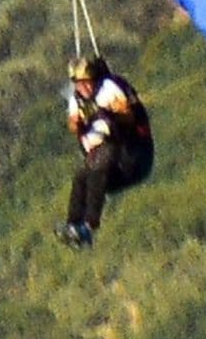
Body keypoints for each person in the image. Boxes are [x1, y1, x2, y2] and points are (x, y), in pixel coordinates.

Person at [56, 53, 152, 248]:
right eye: (79, 84)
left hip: (132, 156)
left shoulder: (109, 88)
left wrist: (107, 112)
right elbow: (73, 123)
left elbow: (129, 116)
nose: (84, 88)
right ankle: (74, 225)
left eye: (87, 82)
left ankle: (89, 225)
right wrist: (79, 121)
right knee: (81, 175)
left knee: (101, 159)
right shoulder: (77, 100)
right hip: (110, 167)